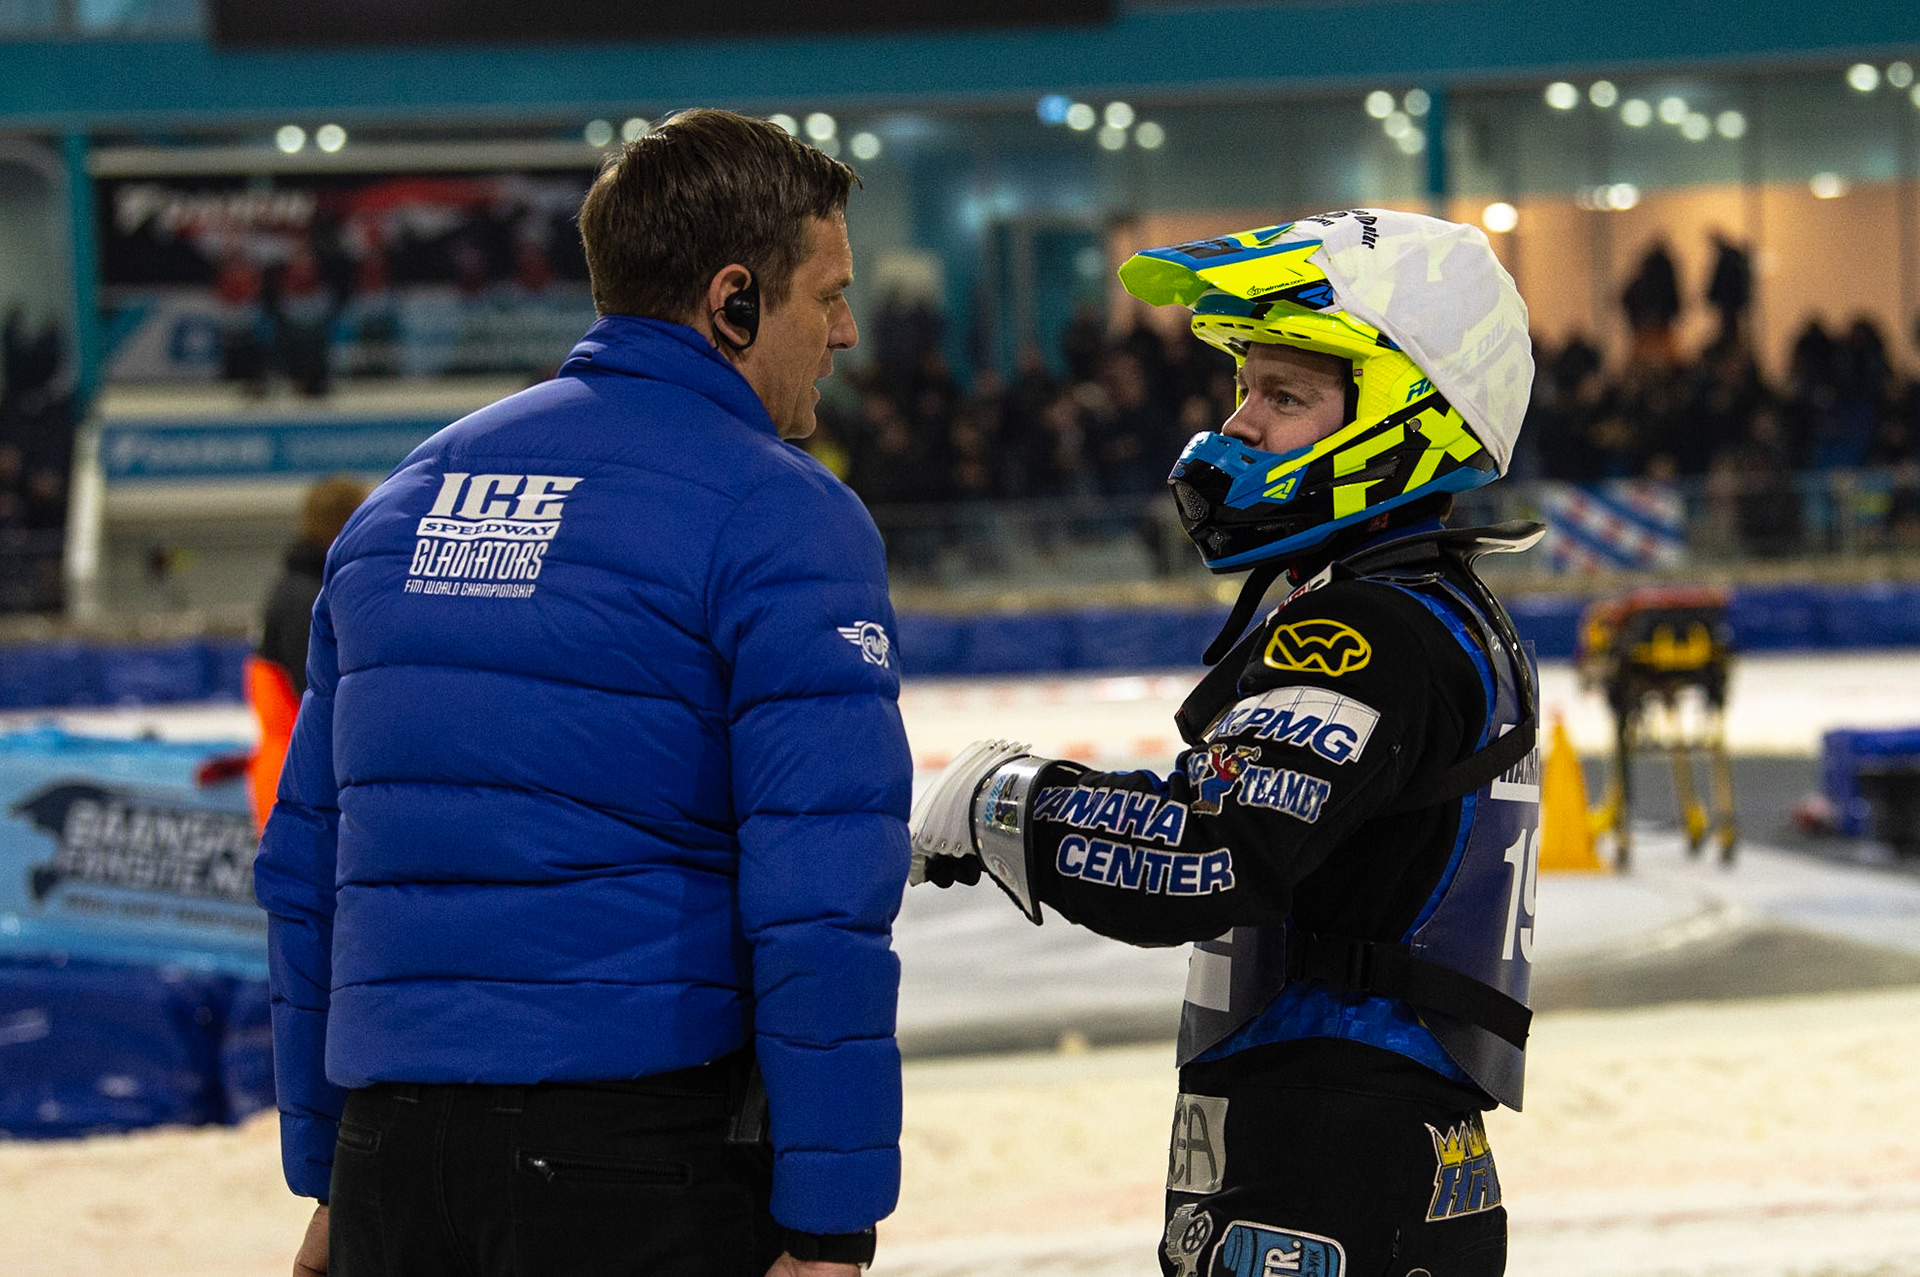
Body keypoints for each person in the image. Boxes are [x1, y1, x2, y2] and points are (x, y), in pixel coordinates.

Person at [255, 108, 912, 1277]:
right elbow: (821, 897)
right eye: (828, 294)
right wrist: (830, 1218)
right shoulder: (783, 512)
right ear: (735, 302)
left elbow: (306, 867)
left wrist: (329, 1172)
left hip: (391, 1153)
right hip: (633, 1152)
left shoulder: (401, 504)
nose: (848, 332)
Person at [910, 210, 1540, 1277]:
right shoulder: (1432, 605)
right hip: (1376, 1146)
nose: (1238, 424)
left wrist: (1010, 799)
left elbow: (1205, 850)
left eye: (1284, 395)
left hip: (1327, 1157)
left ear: (1406, 418)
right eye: (1243, 387)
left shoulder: (1369, 630)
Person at [247, 474, 368, 830]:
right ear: (347, 524)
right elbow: (320, 699)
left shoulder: (297, 588)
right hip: (301, 783)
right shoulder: (308, 600)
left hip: (290, 773)